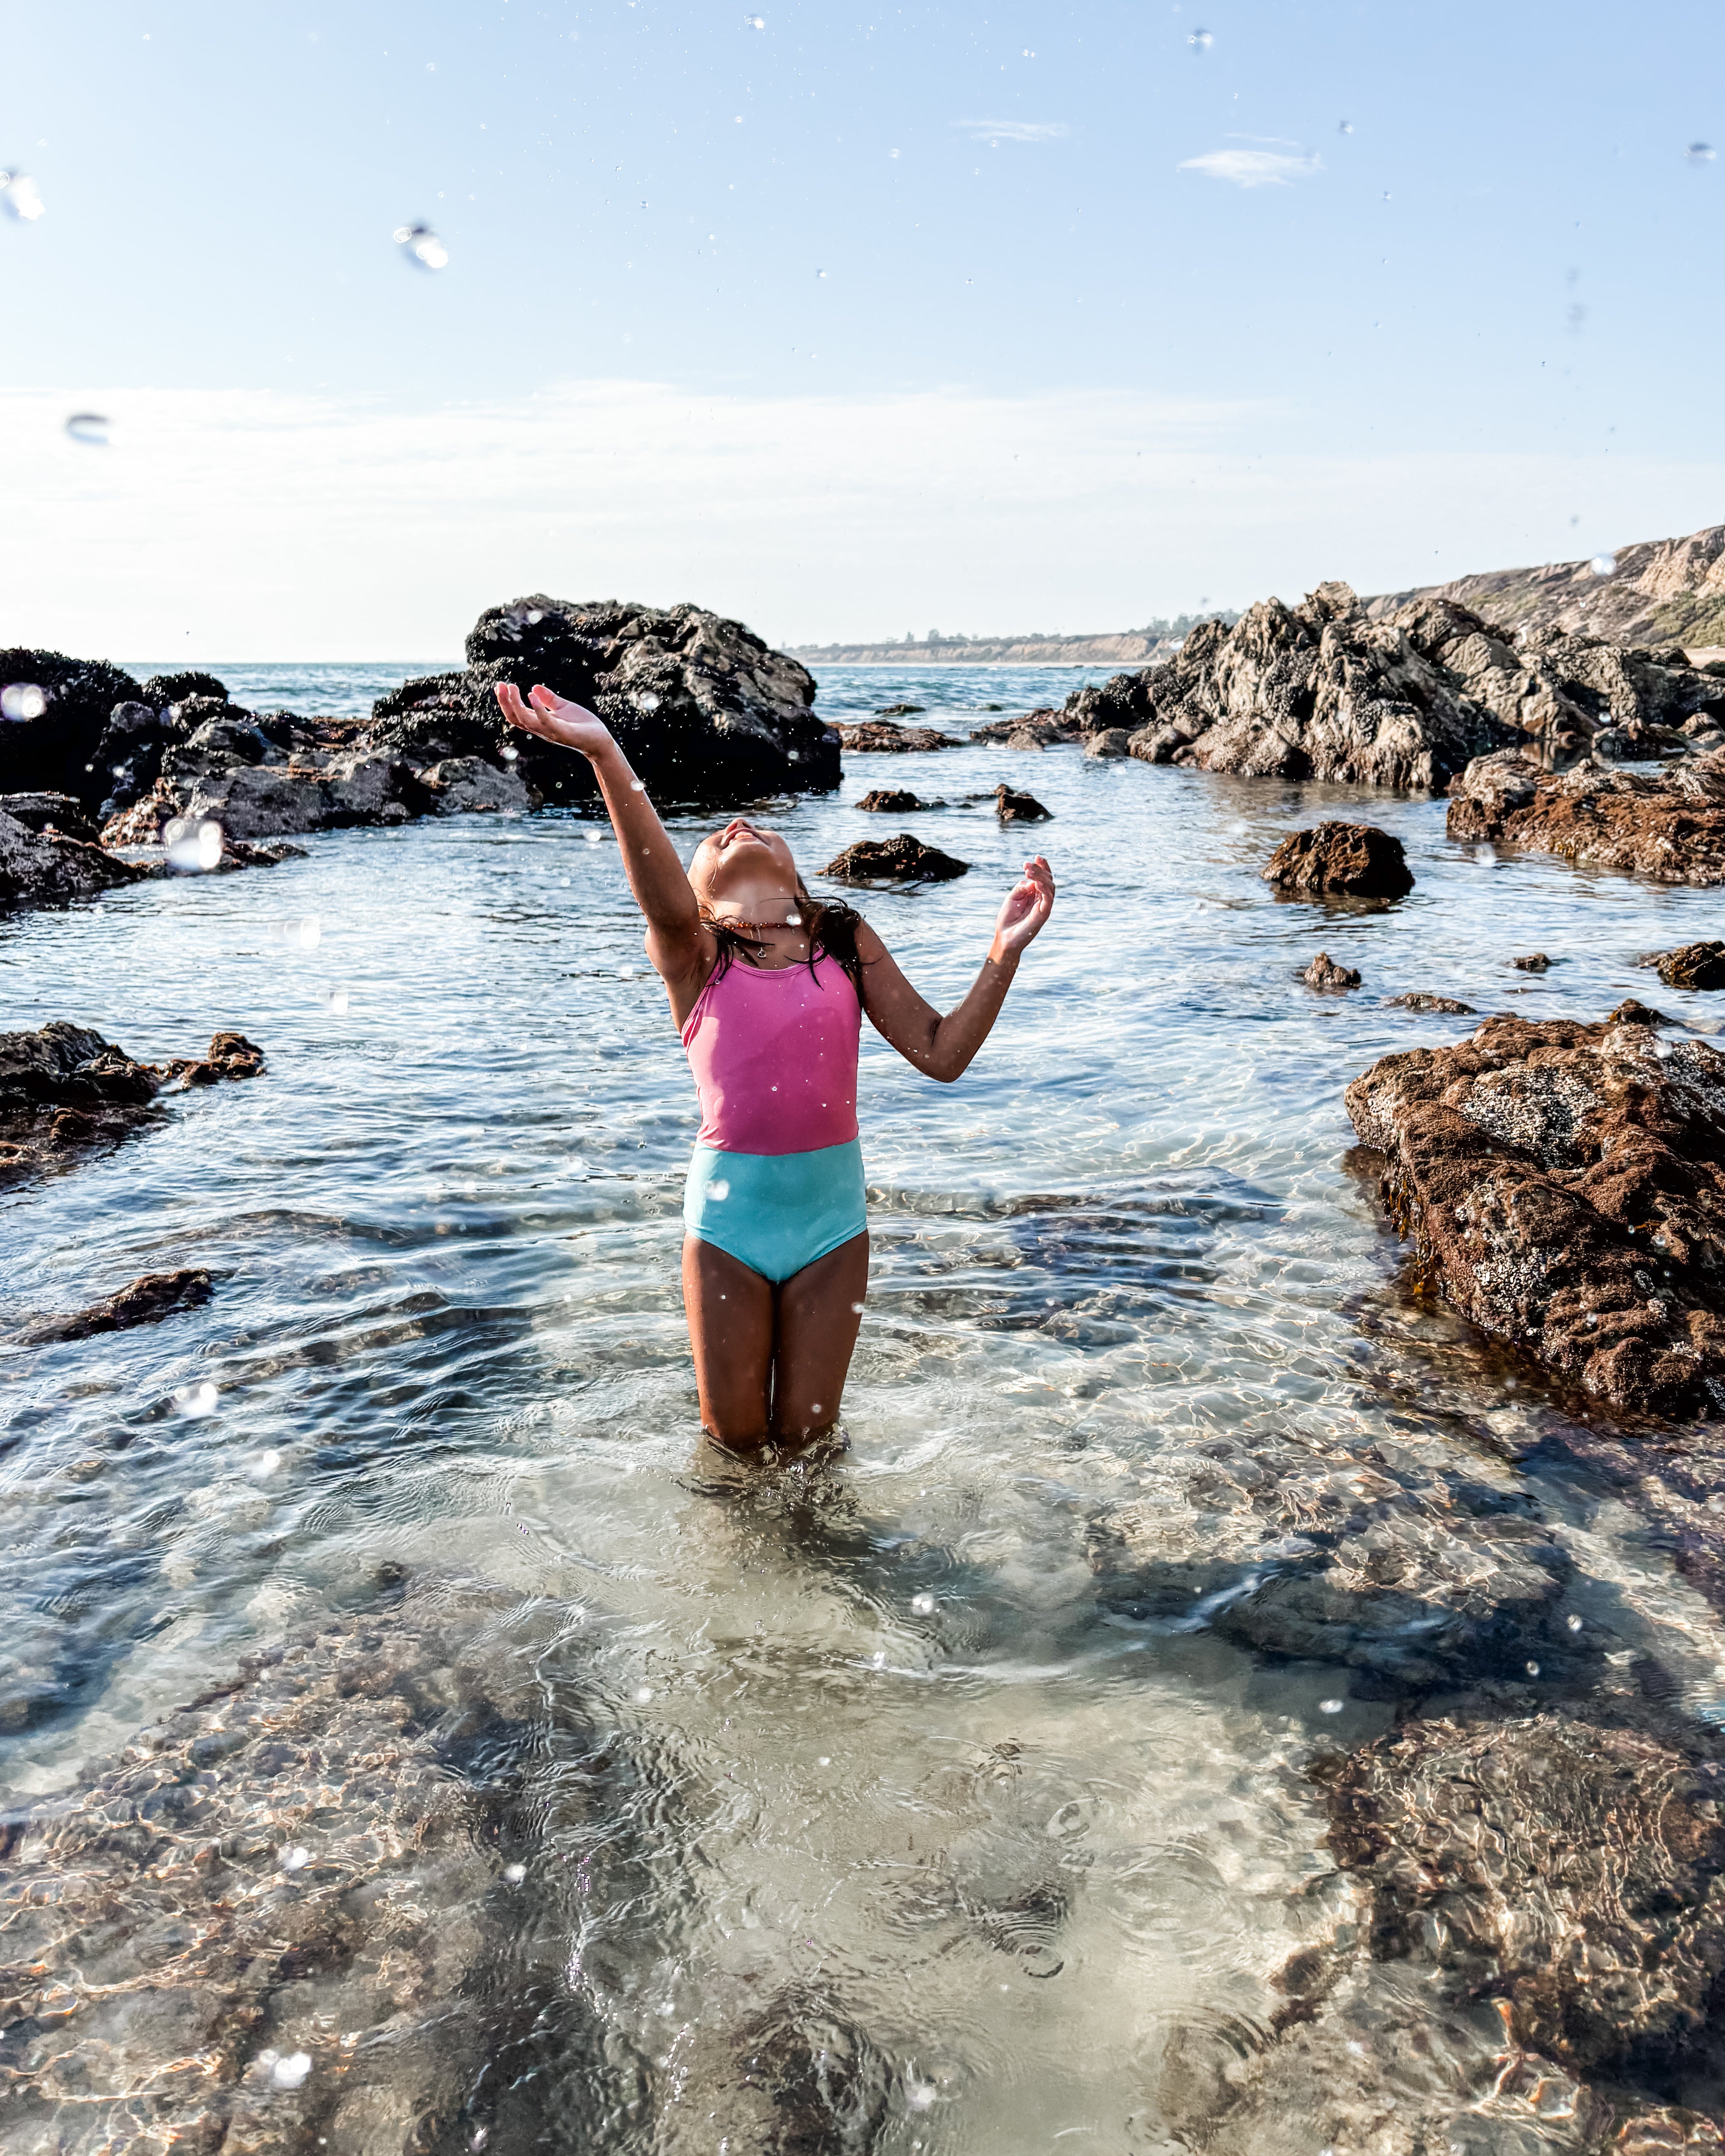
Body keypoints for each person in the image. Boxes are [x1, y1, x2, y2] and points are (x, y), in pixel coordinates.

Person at [496, 681, 1056, 1450]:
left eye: (759, 827)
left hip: (833, 1227)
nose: (737, 825)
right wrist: (603, 749)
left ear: (798, 879)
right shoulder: (694, 954)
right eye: (713, 838)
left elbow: (942, 1052)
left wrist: (1003, 952)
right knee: (733, 1449)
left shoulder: (843, 938)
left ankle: (826, 1571)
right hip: (729, 1223)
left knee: (812, 1448)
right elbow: (660, 899)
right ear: (695, 898)